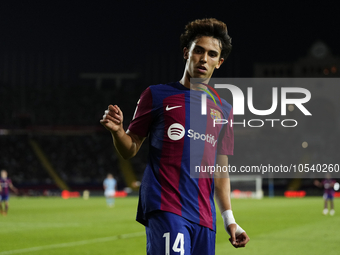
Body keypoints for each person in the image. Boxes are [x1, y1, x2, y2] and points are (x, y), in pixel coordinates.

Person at [100, 18, 249, 254]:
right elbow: (131, 148)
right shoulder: (157, 95)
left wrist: (229, 219)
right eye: (198, 50)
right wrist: (118, 131)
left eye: (212, 54)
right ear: (186, 53)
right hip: (167, 206)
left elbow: (221, 170)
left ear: (219, 62)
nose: (203, 59)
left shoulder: (224, 109)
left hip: (204, 216)